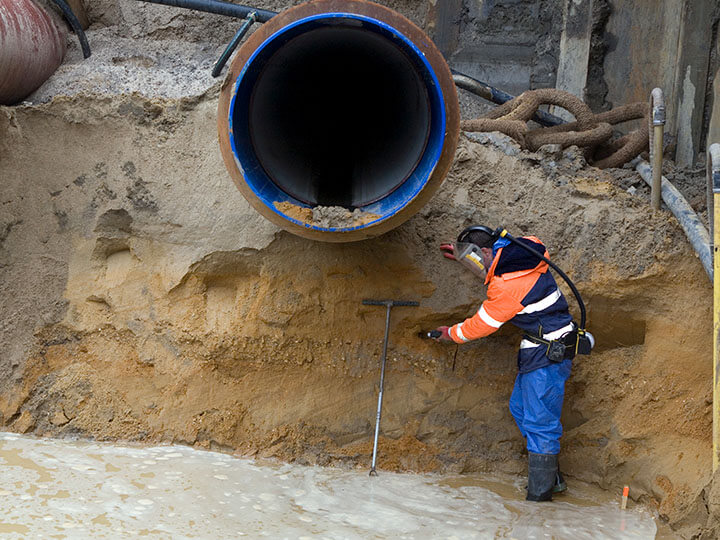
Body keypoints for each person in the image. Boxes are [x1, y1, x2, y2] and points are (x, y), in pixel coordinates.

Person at [434, 225, 575, 502]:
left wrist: (450, 334)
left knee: (539, 423)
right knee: (520, 408)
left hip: (549, 353)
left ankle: (539, 502)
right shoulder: (524, 248)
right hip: (542, 347)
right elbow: (497, 267)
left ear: (486, 251)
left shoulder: (506, 289)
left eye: (476, 257)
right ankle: (551, 477)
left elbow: (481, 325)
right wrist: (468, 259)